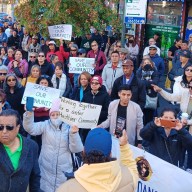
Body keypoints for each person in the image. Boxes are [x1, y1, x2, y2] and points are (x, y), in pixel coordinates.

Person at [23, 99, 83, 192]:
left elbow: (77, 148)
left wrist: (74, 134)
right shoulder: (45, 125)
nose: (55, 117)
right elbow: (30, 128)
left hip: (64, 171)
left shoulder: (70, 127)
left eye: (58, 114)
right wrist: (29, 114)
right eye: (52, 114)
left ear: (63, 115)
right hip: (45, 170)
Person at [57, 128, 138, 192]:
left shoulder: (65, 189)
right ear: (110, 154)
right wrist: (124, 145)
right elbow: (132, 168)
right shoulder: (129, 177)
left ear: (84, 151)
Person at [0, 109, 42, 192]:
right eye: (0, 127)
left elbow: (35, 177)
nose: (4, 131)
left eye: (9, 127)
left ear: (17, 128)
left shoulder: (31, 146)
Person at [81, 75, 110, 142]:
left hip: (99, 125)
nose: (94, 85)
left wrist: (95, 114)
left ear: (100, 85)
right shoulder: (86, 95)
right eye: (92, 83)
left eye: (96, 83)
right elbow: (82, 108)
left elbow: (107, 112)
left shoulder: (105, 96)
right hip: (87, 126)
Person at [136, 58, 159, 124]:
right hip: (140, 97)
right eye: (145, 63)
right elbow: (138, 82)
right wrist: (149, 82)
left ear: (152, 64)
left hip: (151, 97)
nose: (147, 64)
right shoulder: (138, 72)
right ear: (142, 65)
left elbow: (155, 82)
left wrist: (144, 82)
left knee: (149, 117)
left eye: (148, 63)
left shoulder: (155, 72)